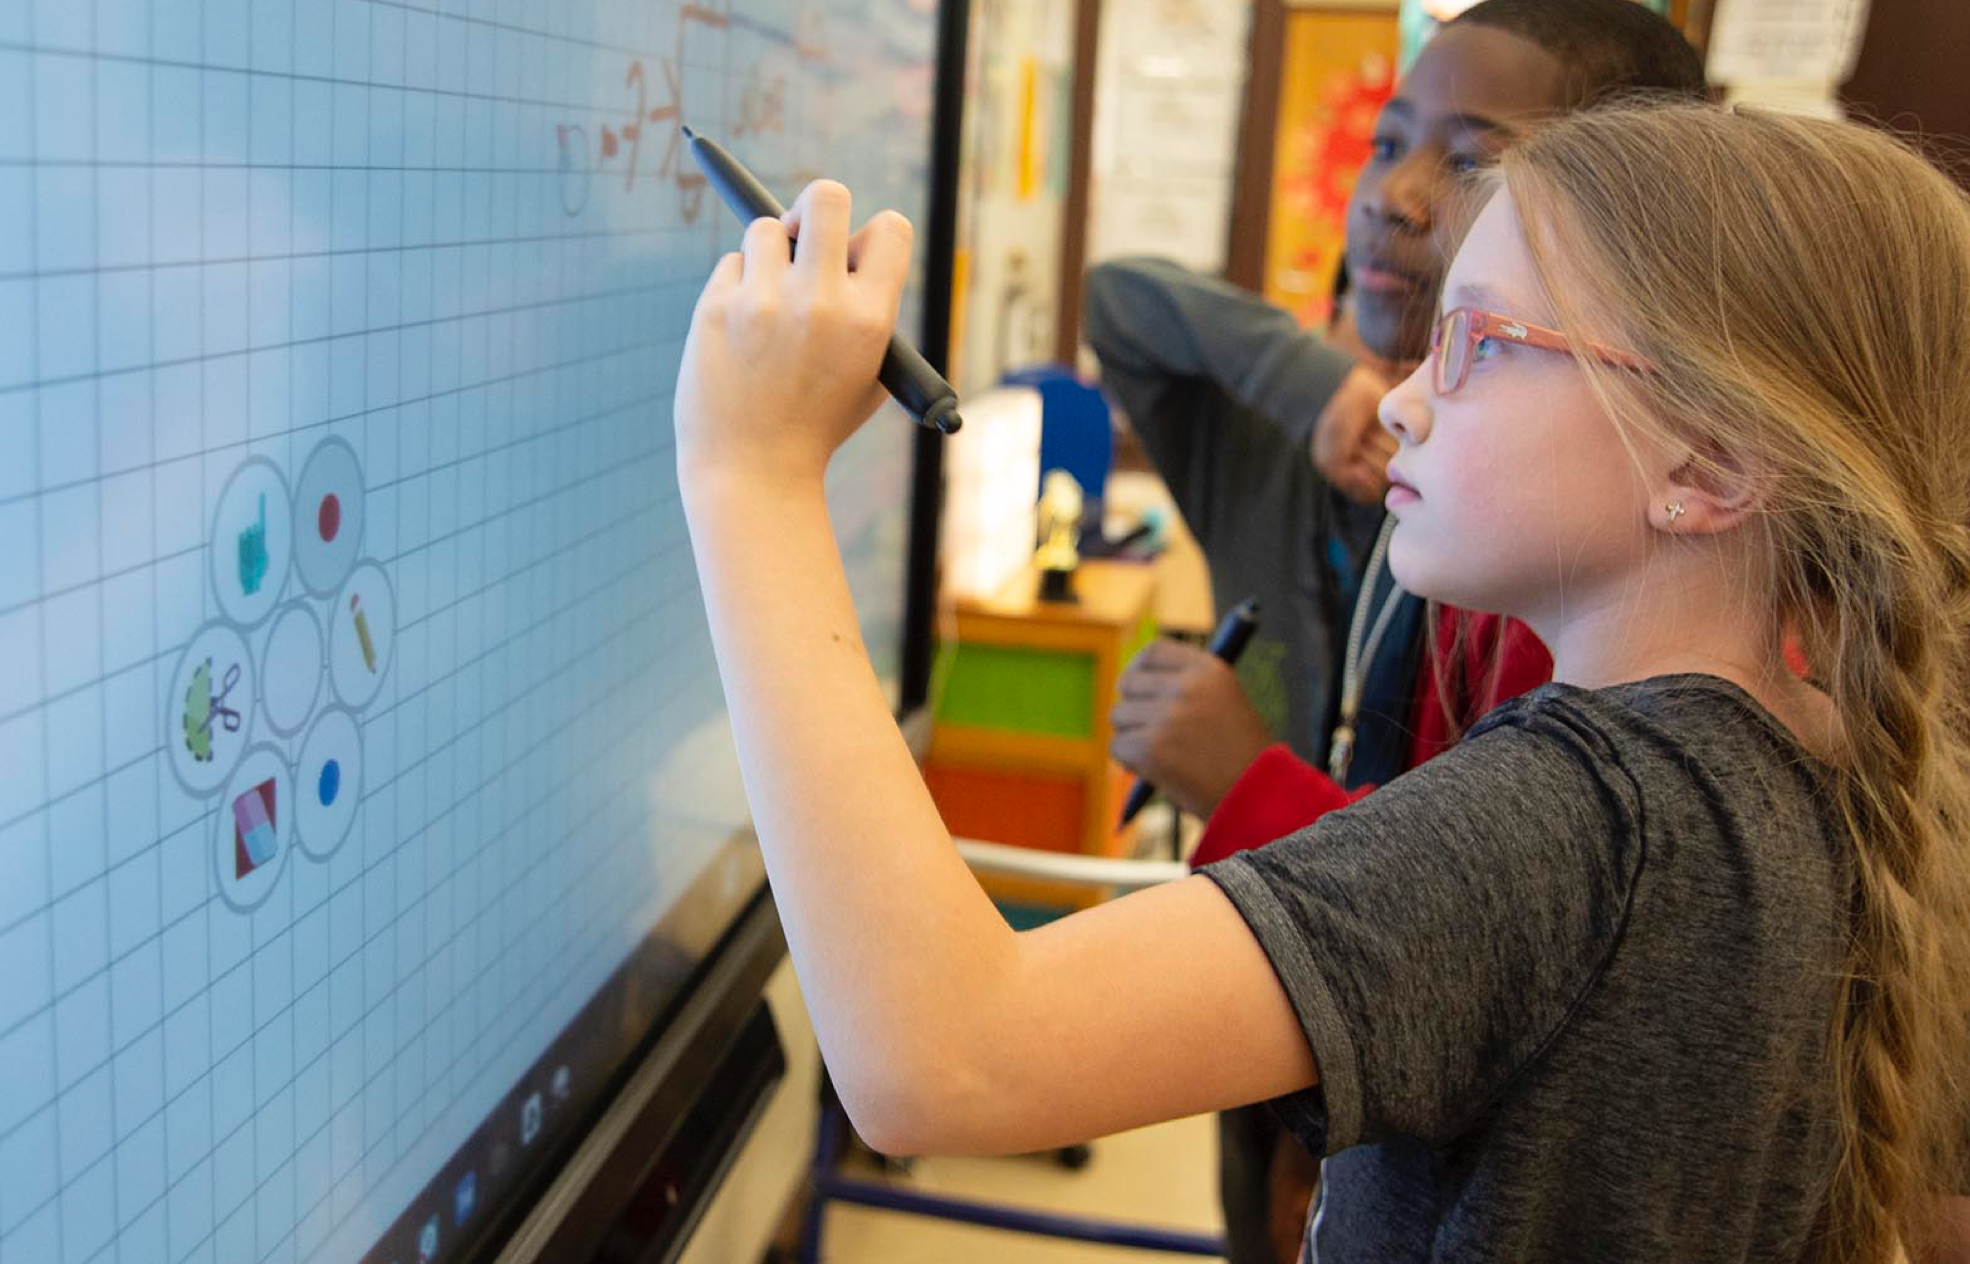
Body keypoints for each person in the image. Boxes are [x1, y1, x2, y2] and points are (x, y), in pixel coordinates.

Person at [670, 99, 1970, 1262]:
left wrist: (753, 477)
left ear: (1710, 466)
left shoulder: (1585, 824)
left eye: (1473, 342)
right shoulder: (1803, 769)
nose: (1404, 402)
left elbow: (936, 1059)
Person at [1084, 3, 1701, 1253]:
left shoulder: (1564, 587)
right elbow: (1119, 301)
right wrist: (1317, 389)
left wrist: (1245, 780)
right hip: (1301, 1025)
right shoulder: (1328, 467)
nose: (1398, 197)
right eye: (1384, 145)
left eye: (1469, 161)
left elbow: (1479, 934)